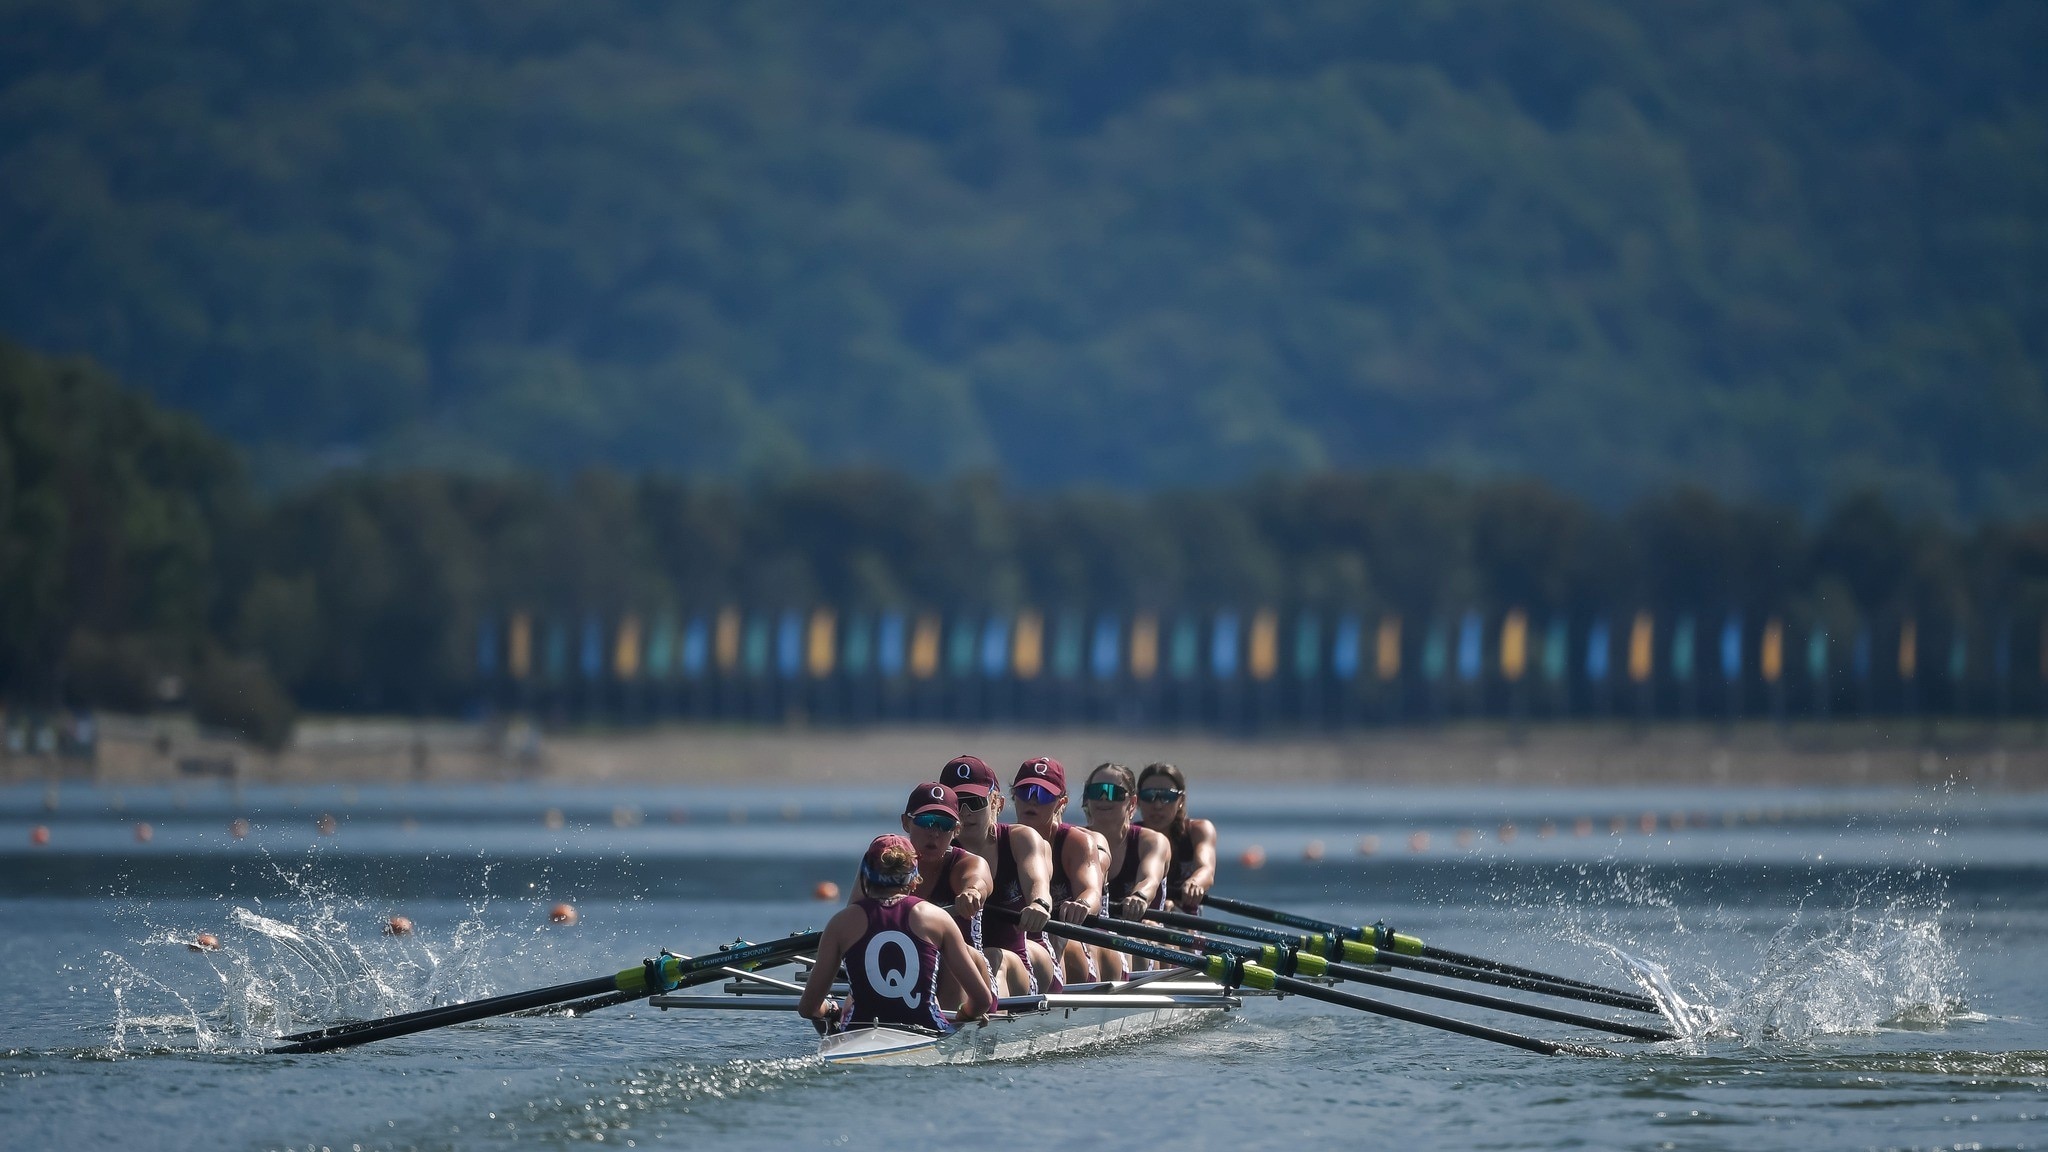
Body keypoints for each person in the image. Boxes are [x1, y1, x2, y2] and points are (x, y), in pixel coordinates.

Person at [798, 834, 994, 1035]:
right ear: (914, 880)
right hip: (927, 1030)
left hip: (858, 1032)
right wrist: (963, 1016)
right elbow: (982, 1000)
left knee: (848, 1004)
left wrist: (830, 1009)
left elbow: (808, 1008)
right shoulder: (938, 918)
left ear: (865, 876)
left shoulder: (841, 923)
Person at [939, 754, 1054, 997]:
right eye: (958, 802)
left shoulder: (1021, 840)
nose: (966, 812)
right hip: (957, 970)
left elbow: (1038, 881)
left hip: (1015, 965)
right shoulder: (934, 850)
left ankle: (984, 1020)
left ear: (997, 804)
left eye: (975, 801)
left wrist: (1039, 904)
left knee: (991, 957)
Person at [1008, 756, 1106, 986]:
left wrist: (1081, 904)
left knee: (1059, 939)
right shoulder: (1001, 840)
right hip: (1023, 944)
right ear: (1013, 797)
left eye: (1043, 794)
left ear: (1061, 803)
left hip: (1070, 941)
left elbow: (1092, 892)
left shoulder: (1077, 842)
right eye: (1025, 792)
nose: (1032, 800)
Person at [1080, 762, 1171, 979]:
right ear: (1087, 799)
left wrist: (1140, 896)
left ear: (1132, 802)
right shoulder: (1076, 841)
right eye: (1096, 791)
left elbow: (1150, 878)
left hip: (1142, 932)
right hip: (1094, 937)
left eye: (1113, 792)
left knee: (1140, 938)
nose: (1103, 798)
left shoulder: (1151, 842)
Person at [1136, 762, 1217, 913]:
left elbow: (1206, 870)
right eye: (1149, 796)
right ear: (1138, 801)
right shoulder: (1129, 836)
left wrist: (1195, 882)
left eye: (1167, 796)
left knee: (1170, 909)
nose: (1158, 805)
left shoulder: (1198, 831)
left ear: (1181, 801)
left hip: (1185, 924)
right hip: (1141, 919)